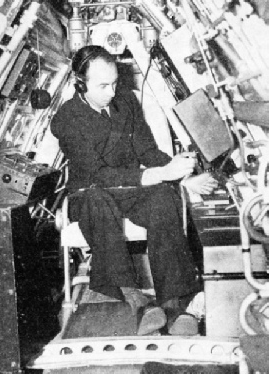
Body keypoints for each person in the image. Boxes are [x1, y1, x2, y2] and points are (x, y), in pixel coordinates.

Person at [51, 45, 217, 335]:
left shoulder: (126, 102)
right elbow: (99, 176)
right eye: (103, 85)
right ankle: (137, 301)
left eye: (115, 82)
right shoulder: (67, 119)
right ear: (80, 82)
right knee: (97, 201)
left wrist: (179, 177)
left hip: (130, 188)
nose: (112, 92)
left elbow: (148, 151)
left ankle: (175, 304)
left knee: (164, 198)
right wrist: (158, 174)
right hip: (91, 191)